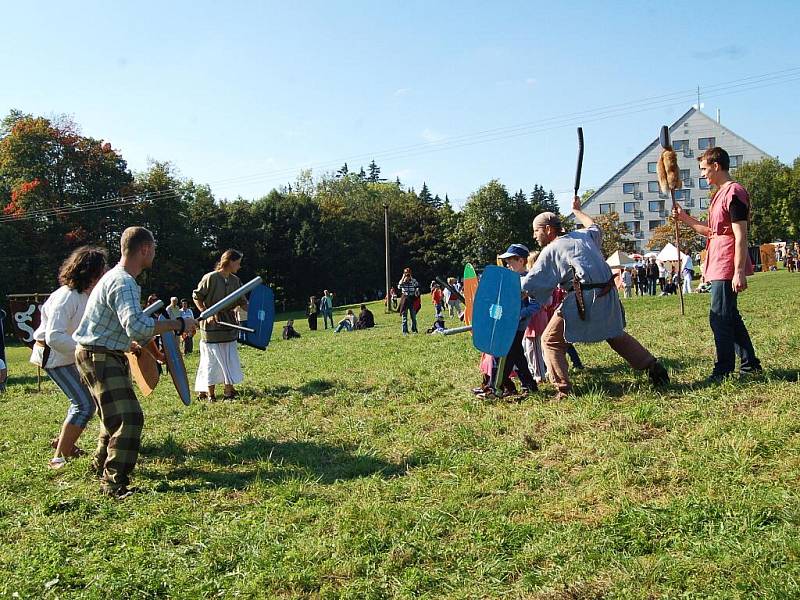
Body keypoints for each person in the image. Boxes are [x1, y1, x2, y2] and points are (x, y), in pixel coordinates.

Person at [73, 227, 197, 498]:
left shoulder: (115, 278)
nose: (154, 253)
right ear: (145, 249)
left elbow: (122, 326)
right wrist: (178, 324)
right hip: (99, 355)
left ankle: (99, 466)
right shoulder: (124, 282)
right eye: (153, 248)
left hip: (101, 353)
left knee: (113, 416)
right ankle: (113, 484)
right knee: (129, 417)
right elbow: (138, 327)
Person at [522, 199, 669, 401]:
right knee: (615, 334)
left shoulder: (552, 249)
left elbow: (530, 284)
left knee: (550, 341)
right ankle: (653, 366)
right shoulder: (583, 236)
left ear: (548, 230)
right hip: (608, 296)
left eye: (536, 231)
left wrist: (509, 297)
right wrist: (577, 210)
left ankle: (563, 390)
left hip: (584, 299)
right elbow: (594, 226)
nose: (534, 235)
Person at [673, 146, 762, 382]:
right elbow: (712, 232)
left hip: (727, 261)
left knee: (720, 317)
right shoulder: (719, 194)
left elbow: (740, 235)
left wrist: (739, 271)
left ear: (716, 165)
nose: (702, 174)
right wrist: (684, 218)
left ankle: (723, 369)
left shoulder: (734, 193)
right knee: (729, 316)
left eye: (704, 169)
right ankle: (750, 364)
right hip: (718, 258)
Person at [30, 246, 108, 469]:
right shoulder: (67, 297)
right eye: (102, 270)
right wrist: (86, 349)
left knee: (90, 400)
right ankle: (59, 457)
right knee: (83, 405)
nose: (105, 274)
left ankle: (66, 442)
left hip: (72, 355)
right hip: (55, 357)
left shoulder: (86, 295)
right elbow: (55, 337)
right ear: (90, 272)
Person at [480, 244, 540, 398]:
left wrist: (519, 314)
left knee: (505, 355)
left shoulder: (528, 280)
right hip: (505, 324)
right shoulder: (508, 279)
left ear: (520, 260)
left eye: (510, 261)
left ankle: (495, 387)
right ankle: (529, 386)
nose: (507, 264)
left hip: (517, 326)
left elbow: (536, 304)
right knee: (517, 355)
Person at [193, 249, 247, 401]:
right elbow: (197, 297)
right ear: (229, 262)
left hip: (228, 323)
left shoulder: (235, 280)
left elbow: (242, 301)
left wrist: (258, 310)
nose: (239, 266)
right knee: (212, 360)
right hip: (211, 325)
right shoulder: (210, 278)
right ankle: (210, 394)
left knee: (229, 358)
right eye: (238, 263)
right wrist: (206, 313)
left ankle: (228, 391)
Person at [397, 267, 420, 335]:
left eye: (408, 273)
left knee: (413, 316)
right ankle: (405, 331)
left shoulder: (413, 280)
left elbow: (416, 285)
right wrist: (403, 278)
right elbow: (399, 287)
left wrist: (411, 279)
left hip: (412, 298)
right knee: (404, 317)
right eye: (406, 273)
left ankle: (414, 329)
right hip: (405, 299)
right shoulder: (402, 281)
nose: (407, 275)